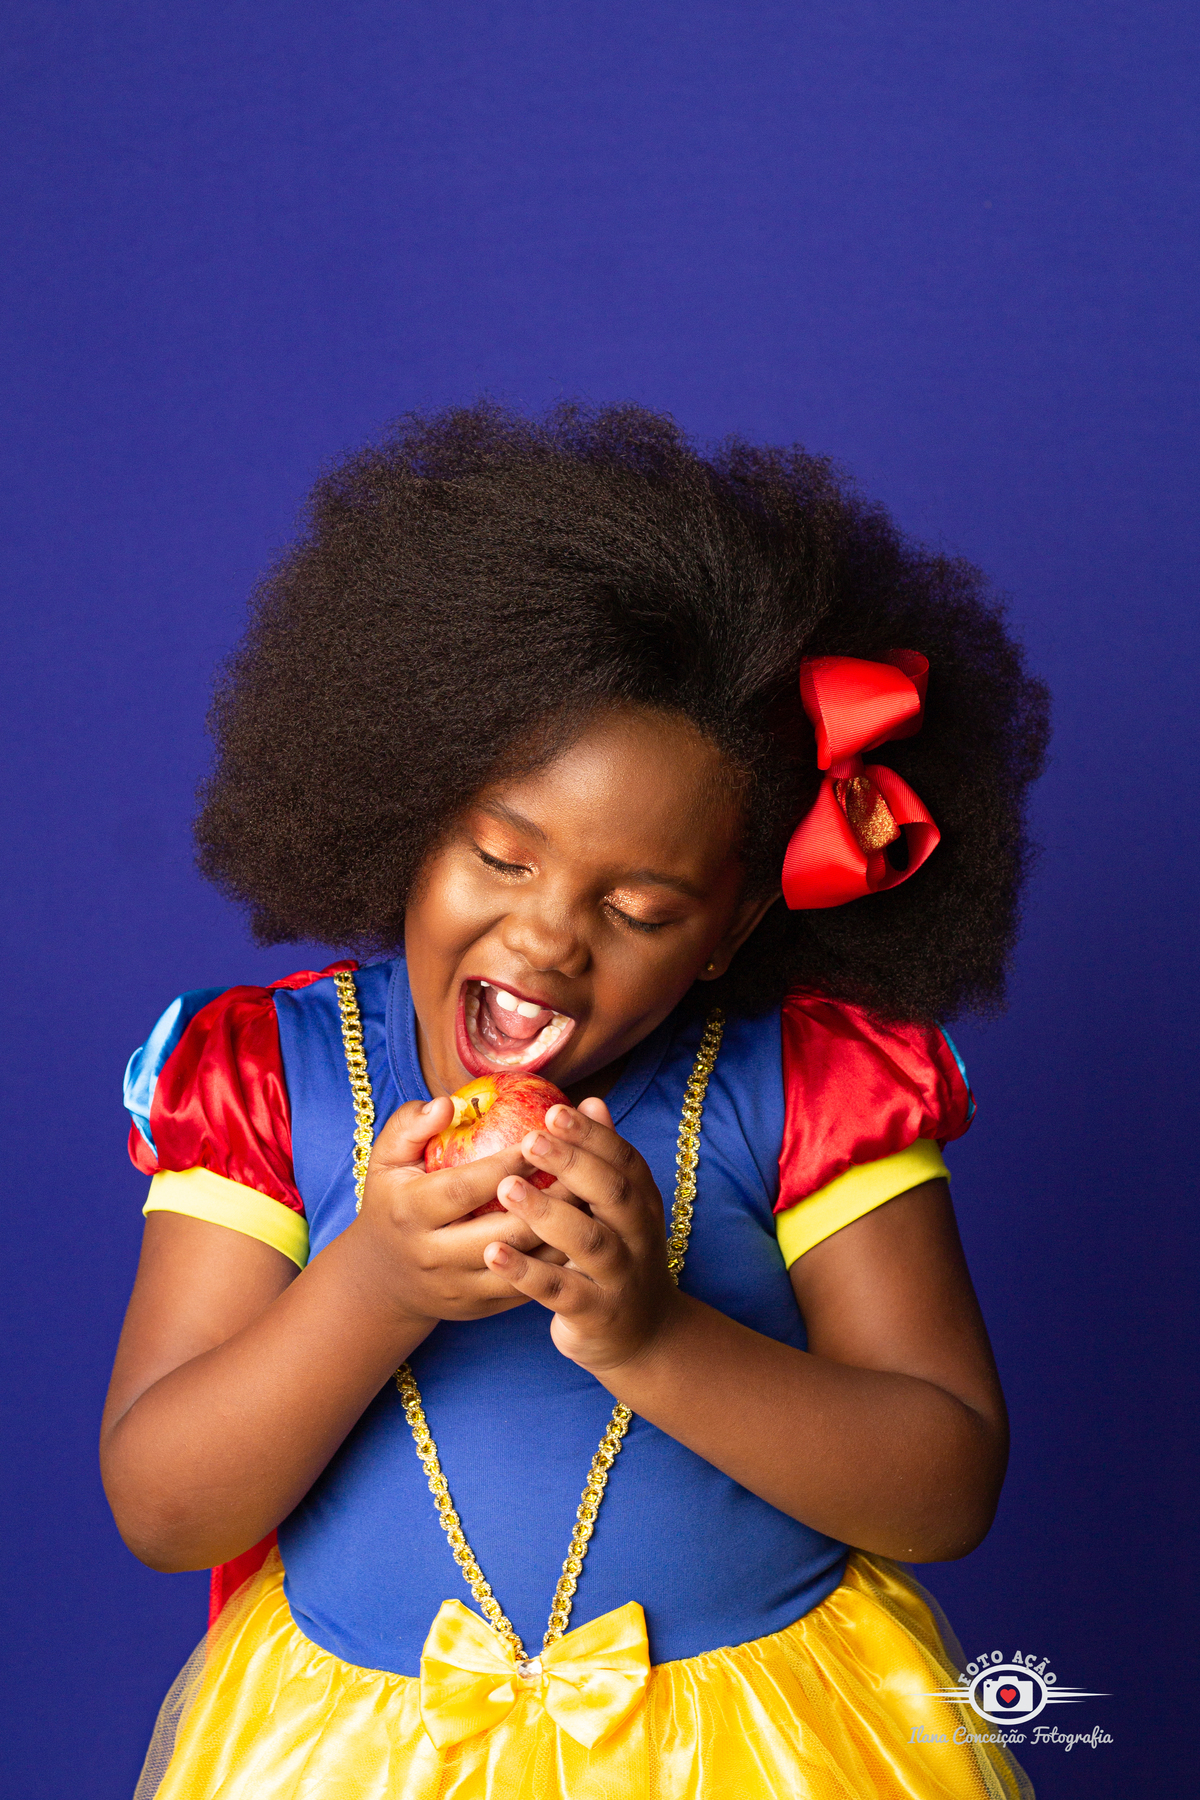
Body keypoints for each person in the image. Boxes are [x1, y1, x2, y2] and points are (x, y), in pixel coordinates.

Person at [103, 402, 1048, 1799]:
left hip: (757, 1748)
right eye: (500, 854)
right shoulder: (271, 1080)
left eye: (643, 905)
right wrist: (376, 1279)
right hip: (354, 1760)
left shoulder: (806, 1093)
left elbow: (945, 1486)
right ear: (410, 817)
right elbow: (167, 1507)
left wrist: (648, 1331)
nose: (548, 939)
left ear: (728, 931)